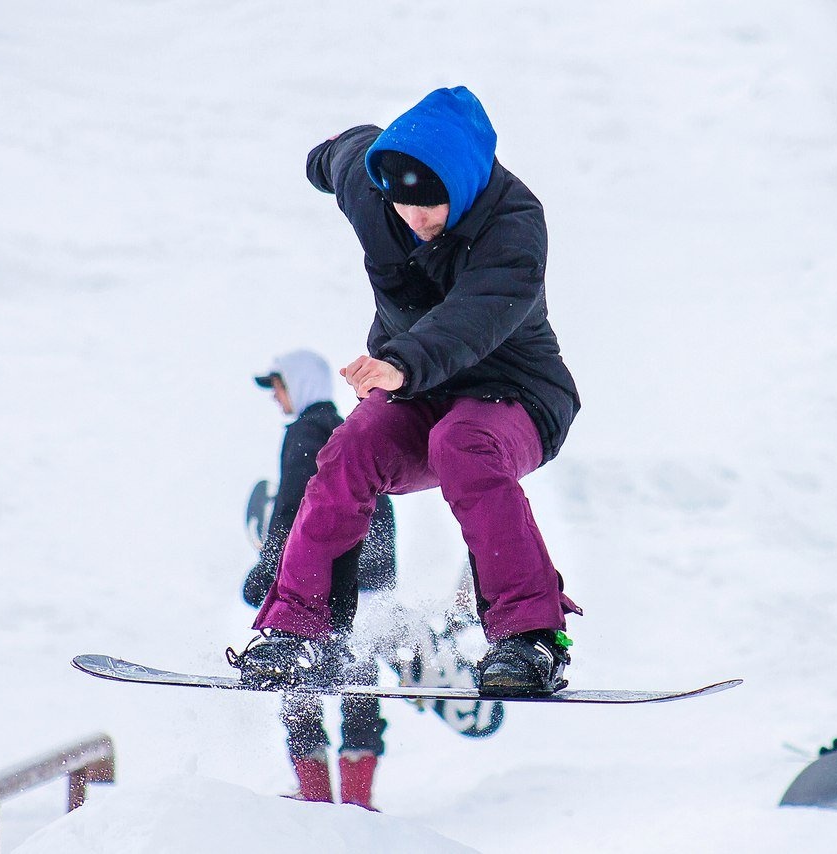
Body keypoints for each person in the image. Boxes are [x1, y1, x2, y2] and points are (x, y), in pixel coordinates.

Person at [228, 86, 582, 698]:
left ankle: (530, 638)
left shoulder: (515, 225)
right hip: (417, 385)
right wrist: (323, 158)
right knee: (350, 446)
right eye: (403, 206)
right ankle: (300, 635)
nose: (415, 221)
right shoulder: (375, 186)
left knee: (462, 443)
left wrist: (403, 363)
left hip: (517, 393)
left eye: (432, 208)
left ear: (466, 184)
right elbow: (342, 156)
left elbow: (479, 312)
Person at [241, 349, 397, 809]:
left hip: (320, 585)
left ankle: (314, 798)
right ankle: (357, 802)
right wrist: (378, 576)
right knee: (357, 683)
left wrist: (267, 573)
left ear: (298, 382)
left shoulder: (306, 432)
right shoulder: (351, 428)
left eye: (278, 387)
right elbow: (381, 508)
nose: (276, 398)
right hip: (366, 583)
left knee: (296, 680)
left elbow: (291, 510)